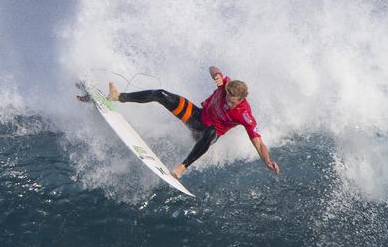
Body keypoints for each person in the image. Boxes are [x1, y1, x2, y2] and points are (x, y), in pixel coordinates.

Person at [109, 66, 279, 179]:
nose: (228, 102)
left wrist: (267, 160)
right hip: (196, 118)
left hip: (206, 135)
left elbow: (258, 143)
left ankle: (181, 168)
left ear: (242, 99)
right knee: (160, 94)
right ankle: (118, 97)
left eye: (232, 101)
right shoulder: (226, 85)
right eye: (227, 97)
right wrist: (217, 75)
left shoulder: (245, 115)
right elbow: (213, 68)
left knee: (212, 131)